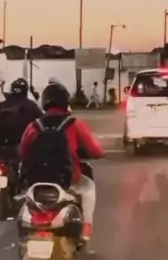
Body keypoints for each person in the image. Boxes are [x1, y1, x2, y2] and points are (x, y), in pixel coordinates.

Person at [19, 82, 104, 241]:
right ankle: (86, 228)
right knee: (88, 188)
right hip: (67, 181)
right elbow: (96, 151)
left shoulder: (34, 126)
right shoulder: (74, 124)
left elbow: (22, 153)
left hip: (36, 181)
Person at [0, 78, 41, 159]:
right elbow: (42, 122)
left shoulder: (3, 105)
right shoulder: (32, 105)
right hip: (27, 149)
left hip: (4, 149)